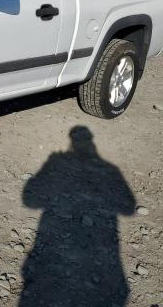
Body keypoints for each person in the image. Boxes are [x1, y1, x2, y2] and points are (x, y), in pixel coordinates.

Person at [20, 126, 136, 307]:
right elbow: (128, 208)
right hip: (102, 261)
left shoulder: (57, 161)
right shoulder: (110, 169)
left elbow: (30, 200)